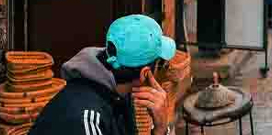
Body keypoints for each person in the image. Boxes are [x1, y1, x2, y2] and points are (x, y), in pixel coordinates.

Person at [30, 15, 177, 135]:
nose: (161, 70)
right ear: (145, 74)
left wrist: (160, 129)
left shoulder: (119, 92)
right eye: (160, 65)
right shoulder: (86, 119)